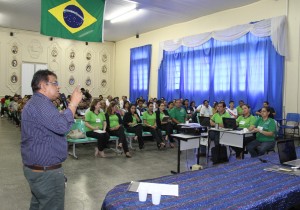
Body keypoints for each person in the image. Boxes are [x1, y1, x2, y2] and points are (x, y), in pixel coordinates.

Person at [21, 69, 82, 210]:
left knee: (39, 205)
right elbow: (61, 126)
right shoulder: (41, 104)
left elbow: (53, 124)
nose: (58, 87)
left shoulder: (37, 103)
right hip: (46, 173)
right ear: (43, 86)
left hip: (38, 169)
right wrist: (73, 103)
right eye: (55, 83)